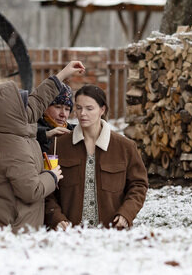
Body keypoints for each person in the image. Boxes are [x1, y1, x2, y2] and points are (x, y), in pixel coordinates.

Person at [0, 60, 86, 232]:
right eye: (23, 106)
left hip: (9, 225)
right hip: (14, 231)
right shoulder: (14, 150)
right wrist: (52, 176)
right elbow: (31, 191)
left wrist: (63, 74)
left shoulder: (5, 131)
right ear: (13, 113)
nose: (29, 106)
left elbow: (38, 100)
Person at [45, 84, 148, 230]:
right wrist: (55, 217)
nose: (82, 114)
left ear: (102, 109)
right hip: (69, 235)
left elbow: (138, 185)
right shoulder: (58, 146)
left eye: (89, 108)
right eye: (79, 108)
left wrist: (126, 214)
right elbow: (47, 189)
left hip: (112, 234)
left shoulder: (125, 147)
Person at [36, 82, 73, 155]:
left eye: (67, 109)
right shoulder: (32, 131)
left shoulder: (74, 132)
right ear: (45, 108)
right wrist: (46, 135)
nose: (63, 114)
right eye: (58, 107)